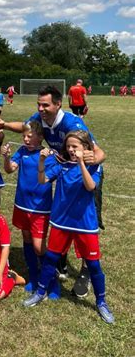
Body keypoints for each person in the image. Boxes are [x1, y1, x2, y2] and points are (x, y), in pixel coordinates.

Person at [0, 84, 106, 298]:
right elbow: (27, 127)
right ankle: (58, 262)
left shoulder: (72, 122)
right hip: (62, 172)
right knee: (62, 214)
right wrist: (5, 124)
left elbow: (98, 149)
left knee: (86, 220)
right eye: (38, 104)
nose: (41, 108)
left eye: (45, 105)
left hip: (85, 172)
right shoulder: (40, 117)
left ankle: (85, 270)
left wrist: (96, 158)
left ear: (58, 104)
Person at [23, 131, 114, 324]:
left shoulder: (94, 166)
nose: (72, 150)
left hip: (85, 224)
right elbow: (42, 180)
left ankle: (101, 302)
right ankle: (40, 292)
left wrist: (82, 163)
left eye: (76, 147)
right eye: (69, 146)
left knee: (94, 264)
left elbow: (90, 187)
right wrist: (41, 162)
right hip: (61, 222)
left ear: (86, 148)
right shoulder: (61, 165)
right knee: (51, 258)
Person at [2, 121, 55, 294]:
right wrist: (7, 157)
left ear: (40, 137)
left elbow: (52, 176)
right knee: (26, 239)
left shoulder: (48, 155)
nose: (25, 139)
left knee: (39, 247)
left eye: (29, 136)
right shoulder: (22, 151)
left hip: (40, 207)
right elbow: (10, 170)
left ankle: (51, 278)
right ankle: (33, 275)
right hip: (21, 204)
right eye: (24, 136)